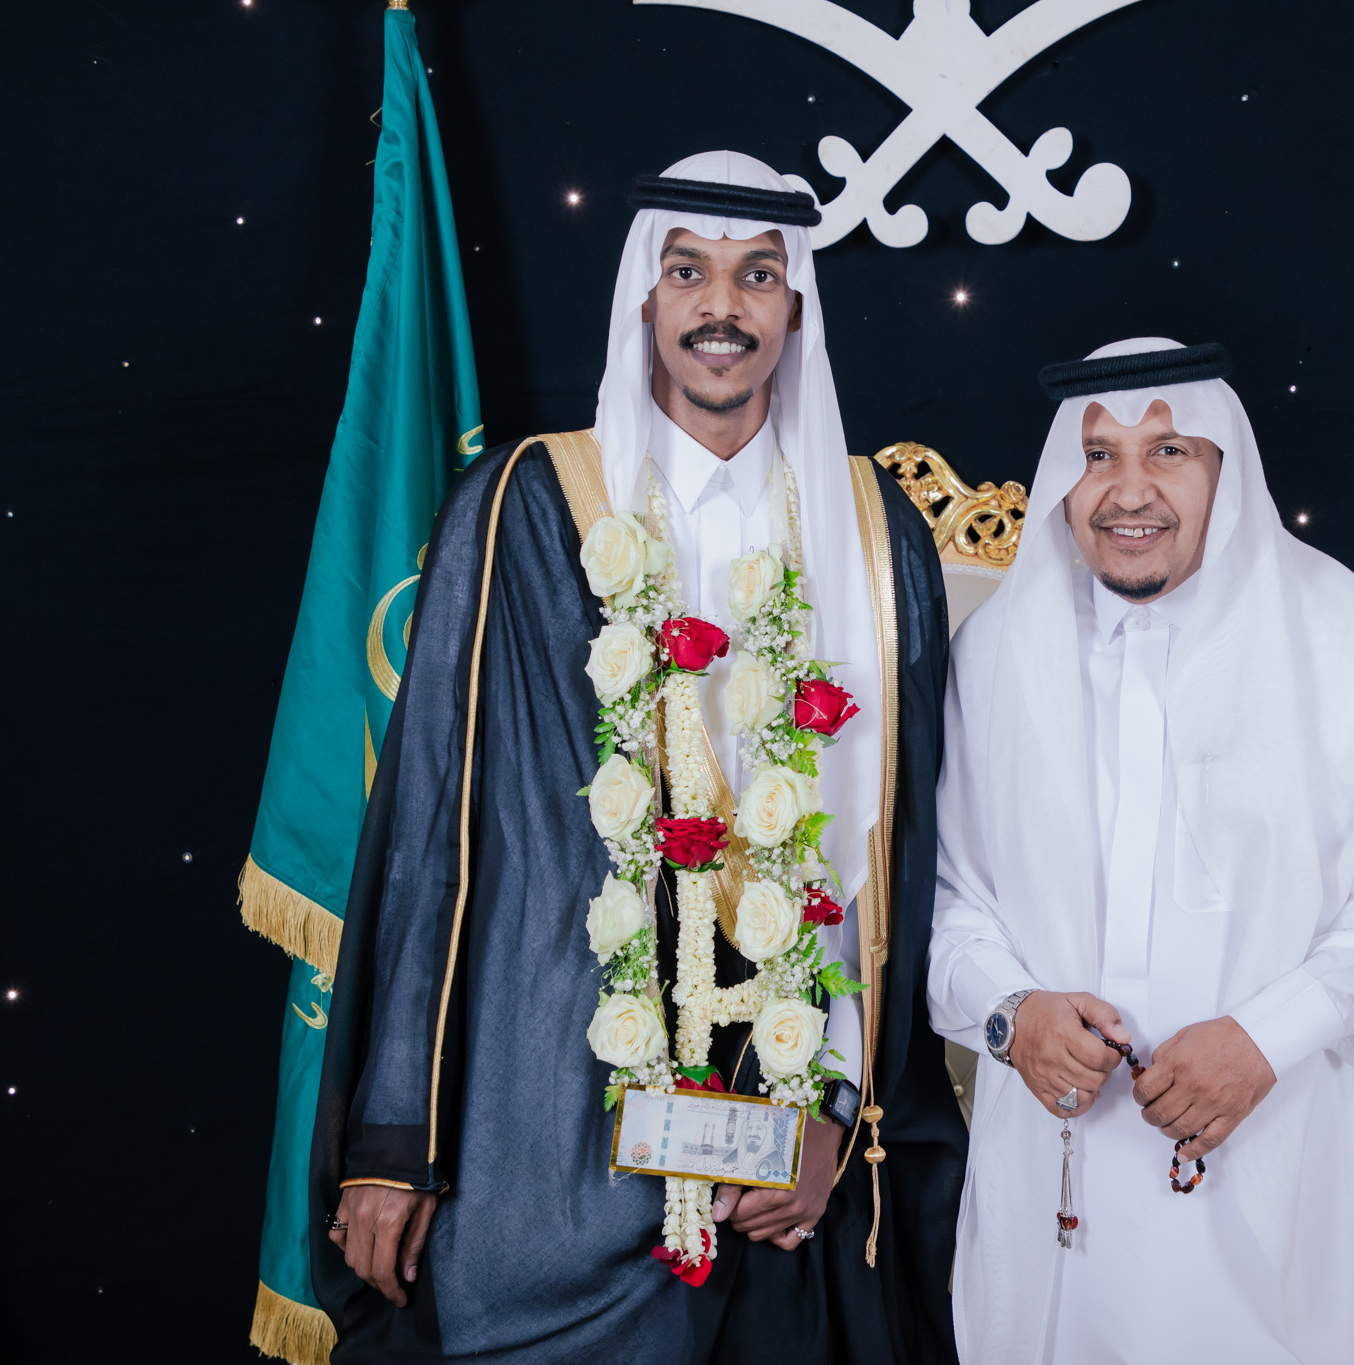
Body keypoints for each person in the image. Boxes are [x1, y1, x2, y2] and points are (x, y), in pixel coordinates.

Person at [310, 151, 965, 1364]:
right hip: (547, 1111)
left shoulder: (874, 535)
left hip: (788, 1119)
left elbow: (902, 863)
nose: (722, 307)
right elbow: (435, 830)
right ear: (644, 300)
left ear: (795, 308)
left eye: (756, 275)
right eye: (688, 272)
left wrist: (835, 1103)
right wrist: (395, 1139)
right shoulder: (528, 503)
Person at [928, 338, 1354, 1364]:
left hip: (1288, 1145)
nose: (1129, 491)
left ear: (1223, 472)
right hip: (1059, 1174)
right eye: (1098, 456)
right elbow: (935, 891)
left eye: (1168, 452)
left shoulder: (1342, 634)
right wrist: (1010, 1013)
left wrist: (1265, 1038)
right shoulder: (996, 652)